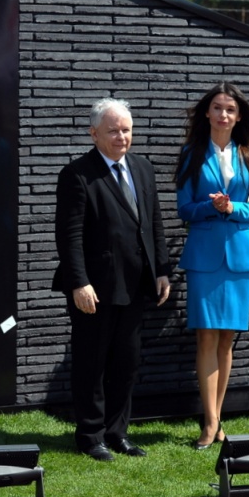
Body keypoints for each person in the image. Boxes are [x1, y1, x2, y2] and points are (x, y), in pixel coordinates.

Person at [52, 98, 171, 462]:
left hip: (136, 284)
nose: (122, 137)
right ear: (94, 133)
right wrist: (78, 282)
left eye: (127, 130)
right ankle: (91, 436)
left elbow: (153, 221)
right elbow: (68, 235)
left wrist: (162, 269)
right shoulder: (77, 174)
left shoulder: (143, 168)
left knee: (126, 362)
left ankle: (118, 433)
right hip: (96, 287)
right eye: (114, 130)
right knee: (92, 362)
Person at [173, 82, 249, 450]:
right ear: (207, 113)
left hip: (240, 256)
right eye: (216, 108)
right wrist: (210, 207)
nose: (223, 114)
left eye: (229, 109)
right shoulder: (191, 153)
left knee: (227, 338)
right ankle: (211, 423)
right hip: (204, 255)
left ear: (238, 115)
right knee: (206, 336)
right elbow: (183, 208)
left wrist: (233, 209)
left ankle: (216, 417)